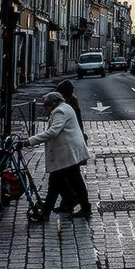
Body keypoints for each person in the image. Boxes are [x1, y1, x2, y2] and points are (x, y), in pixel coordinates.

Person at [18, 91, 92, 222]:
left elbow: (52, 132)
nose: (46, 109)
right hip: (67, 153)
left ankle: (49, 212)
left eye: (47, 105)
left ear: (53, 103)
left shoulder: (60, 112)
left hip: (66, 154)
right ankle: (70, 204)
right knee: (65, 181)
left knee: (60, 182)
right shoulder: (66, 107)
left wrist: (28, 141)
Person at [54, 79, 86, 213]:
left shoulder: (66, 108)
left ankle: (78, 203)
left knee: (69, 177)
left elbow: (57, 129)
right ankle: (69, 201)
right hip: (72, 145)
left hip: (69, 147)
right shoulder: (72, 104)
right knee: (67, 177)